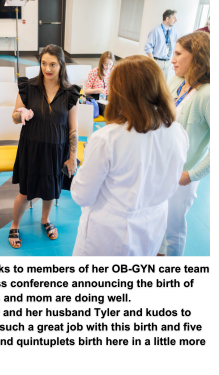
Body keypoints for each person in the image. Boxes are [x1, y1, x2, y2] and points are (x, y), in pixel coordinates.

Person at [71, 55, 189, 256]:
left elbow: (82, 195)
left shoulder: (107, 138)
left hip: (109, 232)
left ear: (120, 93)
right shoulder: (177, 132)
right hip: (152, 226)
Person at [9, 45, 80, 248]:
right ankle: (15, 225)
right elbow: (14, 116)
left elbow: (73, 129)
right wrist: (20, 114)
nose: (47, 68)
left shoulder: (70, 93)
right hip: (31, 148)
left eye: (52, 64)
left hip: (56, 150)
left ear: (61, 65)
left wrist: (72, 157)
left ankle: (45, 219)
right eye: (43, 63)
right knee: (25, 191)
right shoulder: (28, 87)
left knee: (50, 190)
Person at [159, 32, 210, 256]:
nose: (172, 59)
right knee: (157, 222)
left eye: (179, 54)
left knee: (173, 229)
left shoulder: (207, 94)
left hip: (183, 175)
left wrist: (191, 175)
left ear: (197, 57)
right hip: (162, 168)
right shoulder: (177, 81)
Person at [145, 9, 178, 82]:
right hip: (157, 61)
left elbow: (175, 45)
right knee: (154, 82)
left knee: (164, 83)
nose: (176, 20)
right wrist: (153, 61)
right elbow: (148, 47)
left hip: (168, 62)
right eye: (174, 18)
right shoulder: (155, 31)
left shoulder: (173, 31)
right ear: (167, 19)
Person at [85, 51, 114, 116]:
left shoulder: (113, 71)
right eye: (105, 64)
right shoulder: (95, 71)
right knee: (109, 111)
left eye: (110, 64)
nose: (108, 67)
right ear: (101, 63)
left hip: (109, 97)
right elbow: (86, 91)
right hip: (97, 98)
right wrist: (98, 90)